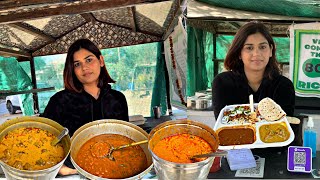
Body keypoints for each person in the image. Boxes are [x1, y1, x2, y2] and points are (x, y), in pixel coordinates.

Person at [42, 39, 129, 175]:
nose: (84, 68)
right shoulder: (59, 101)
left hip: (114, 171)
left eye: (89, 60)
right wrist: (62, 170)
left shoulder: (118, 98)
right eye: (77, 64)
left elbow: (125, 139)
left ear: (101, 61)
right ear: (73, 70)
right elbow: (44, 140)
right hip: (76, 174)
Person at [212, 21, 295, 119]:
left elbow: (284, 126)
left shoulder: (283, 86)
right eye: (249, 48)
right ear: (239, 53)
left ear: (270, 50)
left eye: (262, 47)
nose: (256, 53)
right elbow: (223, 125)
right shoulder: (223, 83)